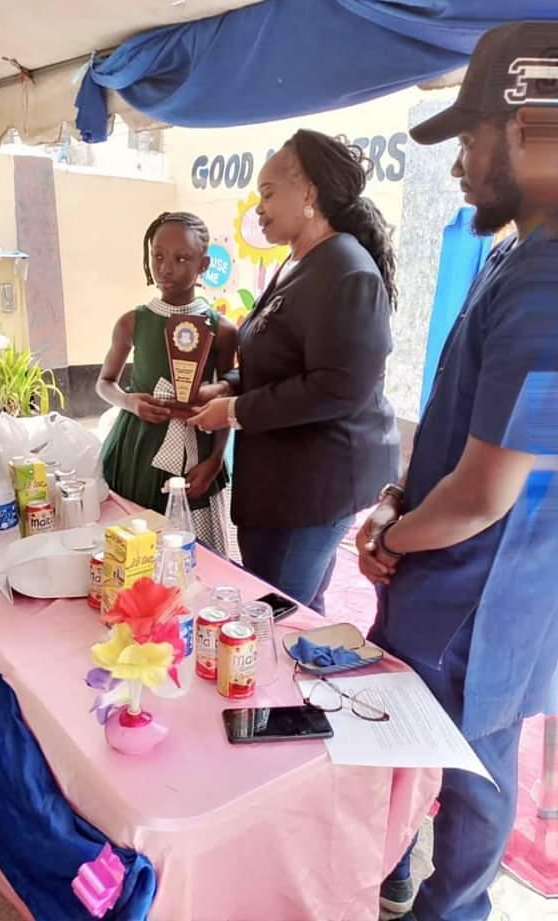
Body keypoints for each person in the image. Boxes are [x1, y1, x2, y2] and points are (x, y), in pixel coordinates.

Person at [356, 21, 558, 921]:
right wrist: (398, 501)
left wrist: (391, 538)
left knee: (474, 769)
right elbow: (462, 426)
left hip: (484, 593)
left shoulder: (548, 281)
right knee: (418, 748)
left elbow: (482, 495)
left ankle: (456, 910)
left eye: (471, 138)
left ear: (527, 128)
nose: (460, 164)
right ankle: (405, 879)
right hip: (458, 573)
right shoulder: (516, 254)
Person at [189, 130, 400, 612]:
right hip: (283, 477)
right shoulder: (301, 262)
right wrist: (228, 386)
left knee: (275, 611)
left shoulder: (346, 270)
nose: (258, 209)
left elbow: (338, 387)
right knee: (300, 607)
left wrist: (235, 411)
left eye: (267, 194)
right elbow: (279, 360)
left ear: (308, 193)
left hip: (314, 484)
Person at [97, 212, 237, 554]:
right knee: (134, 546)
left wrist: (215, 459)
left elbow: (227, 398)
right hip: (137, 451)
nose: (165, 268)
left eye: (181, 258)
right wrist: (129, 402)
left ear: (203, 265)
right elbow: (104, 383)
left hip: (197, 453)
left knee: (192, 550)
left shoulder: (222, 329)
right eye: (157, 256)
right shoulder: (132, 322)